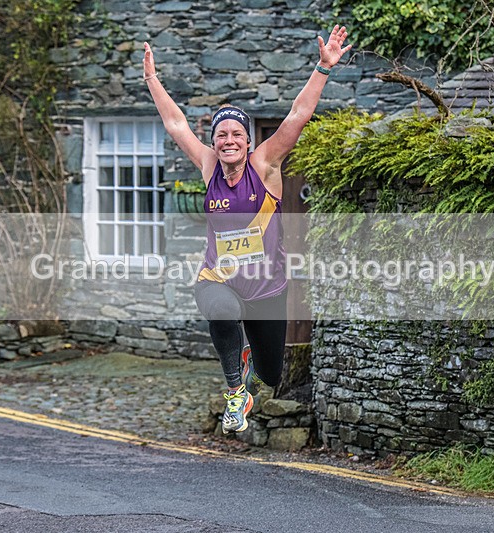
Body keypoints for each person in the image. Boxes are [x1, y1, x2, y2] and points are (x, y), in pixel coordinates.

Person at [144, 25, 351, 434]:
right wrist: (152, 79)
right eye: (221, 134)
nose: (228, 140)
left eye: (236, 133)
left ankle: (251, 374)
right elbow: (175, 124)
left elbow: (297, 114)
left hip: (267, 289)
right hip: (219, 280)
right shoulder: (209, 168)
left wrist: (323, 68)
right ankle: (235, 392)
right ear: (215, 142)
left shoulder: (265, 165)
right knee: (221, 311)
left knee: (272, 375)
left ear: (247, 139)